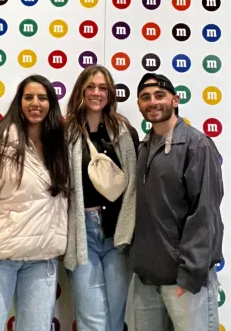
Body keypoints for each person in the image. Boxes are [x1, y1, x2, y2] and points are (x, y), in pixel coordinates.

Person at [0, 74, 72, 331]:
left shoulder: (60, 147)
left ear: (51, 104)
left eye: (42, 98)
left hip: (42, 259)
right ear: (18, 102)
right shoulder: (0, 144)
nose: (35, 103)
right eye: (28, 97)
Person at [131, 73, 224, 331]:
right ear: (139, 104)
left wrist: (191, 273)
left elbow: (205, 213)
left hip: (185, 279)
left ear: (175, 100)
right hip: (147, 278)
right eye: (145, 97)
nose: (153, 102)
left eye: (159, 96)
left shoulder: (197, 145)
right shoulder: (142, 149)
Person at [63, 65, 139, 331]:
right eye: (91, 87)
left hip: (117, 233)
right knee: (92, 319)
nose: (97, 93)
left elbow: (135, 187)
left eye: (103, 88)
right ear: (80, 91)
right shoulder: (65, 133)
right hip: (82, 232)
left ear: (110, 93)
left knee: (115, 317)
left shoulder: (125, 132)